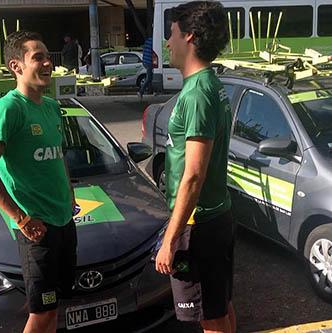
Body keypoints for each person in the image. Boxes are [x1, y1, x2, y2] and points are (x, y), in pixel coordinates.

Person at [0, 30, 77, 333]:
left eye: (48, 57)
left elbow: (58, 156)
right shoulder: (9, 109)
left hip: (63, 221)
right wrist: (20, 218)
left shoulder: (51, 107)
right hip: (37, 228)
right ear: (16, 66)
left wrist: (69, 194)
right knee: (41, 313)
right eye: (38, 58)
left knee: (53, 308)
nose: (48, 63)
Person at [153, 2, 235, 333]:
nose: (167, 43)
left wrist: (170, 239)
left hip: (198, 225)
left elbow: (193, 175)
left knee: (210, 316)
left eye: (171, 34)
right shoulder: (206, 85)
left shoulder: (198, 92)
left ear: (189, 36)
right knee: (220, 308)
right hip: (214, 218)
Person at [138, 36, 153, 101]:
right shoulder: (153, 42)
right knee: (149, 78)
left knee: (151, 77)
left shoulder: (147, 41)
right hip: (149, 62)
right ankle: (141, 92)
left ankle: (151, 90)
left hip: (145, 61)